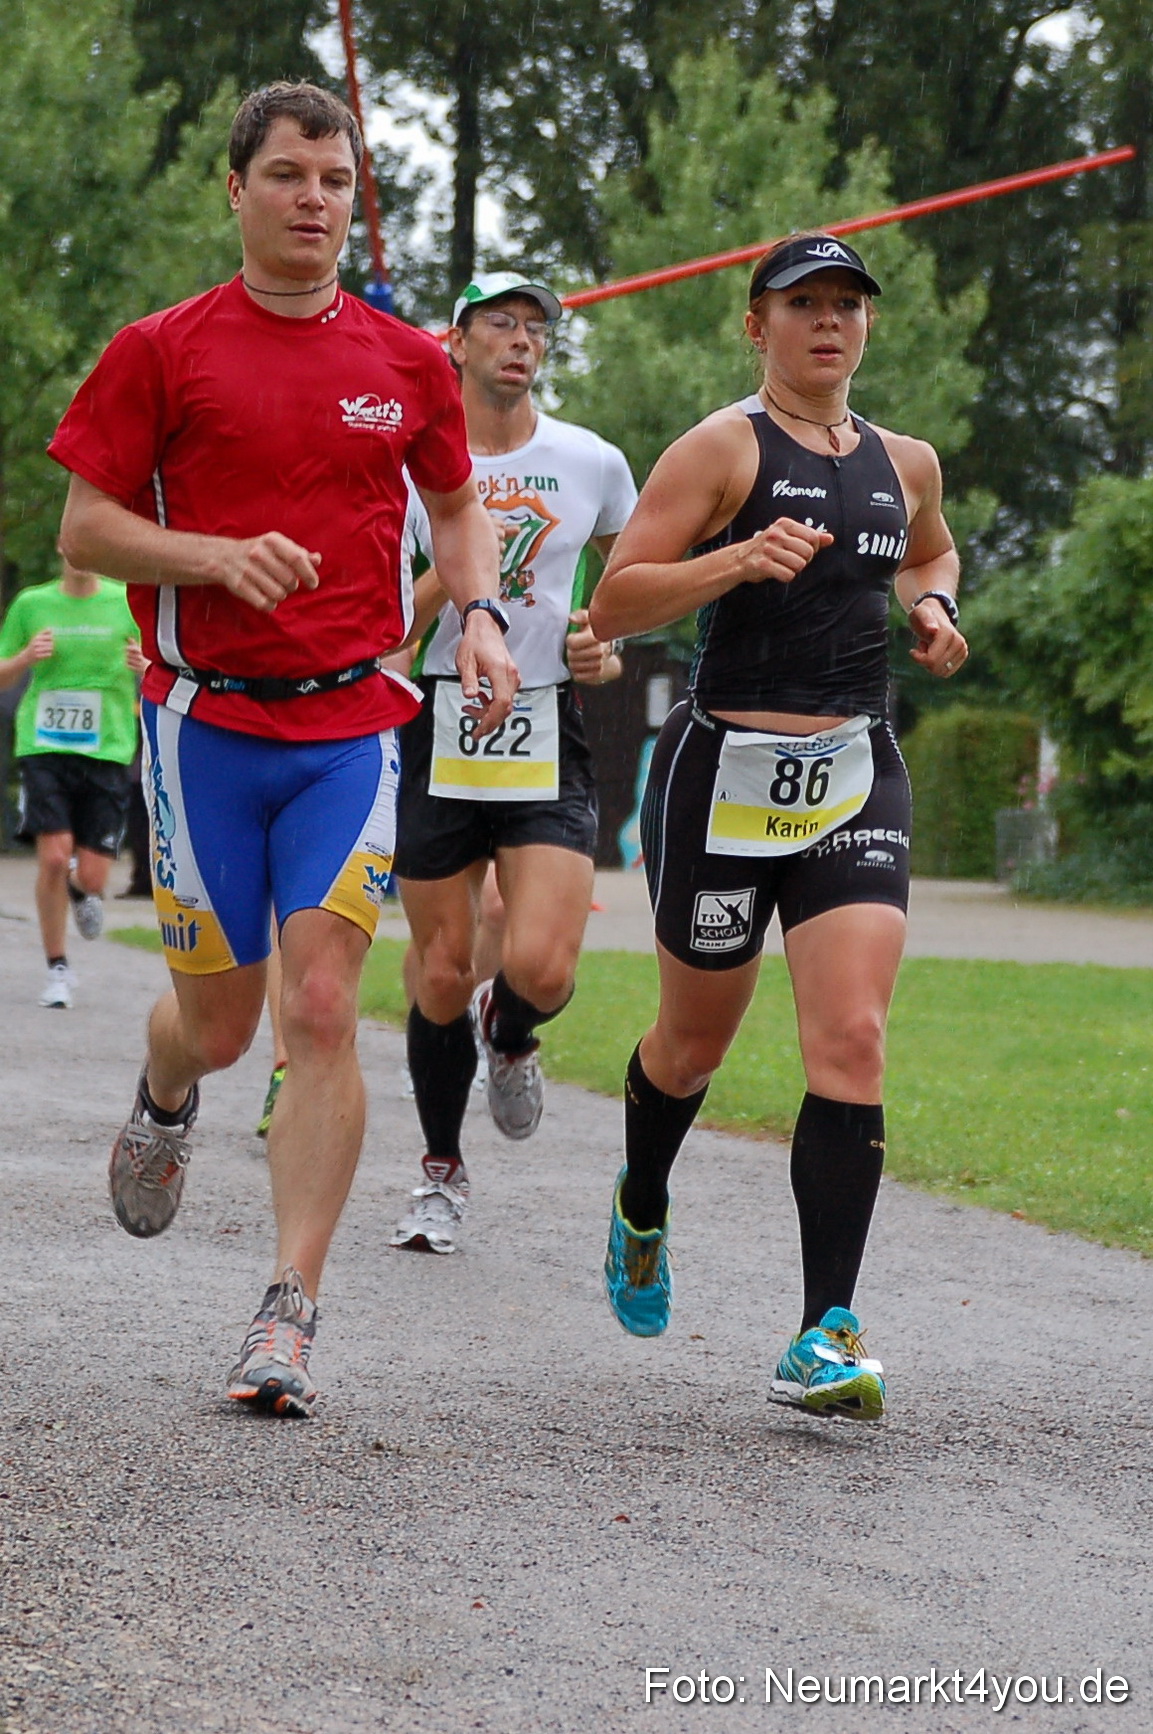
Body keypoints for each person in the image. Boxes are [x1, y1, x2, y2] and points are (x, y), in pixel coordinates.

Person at [48, 81, 516, 1418]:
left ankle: (287, 1310)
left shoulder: (407, 362)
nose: (317, 197)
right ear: (236, 189)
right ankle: (167, 1082)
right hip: (200, 723)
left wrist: (475, 610)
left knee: (319, 1009)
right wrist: (208, 554)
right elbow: (85, 530)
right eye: (290, 175)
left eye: (336, 175)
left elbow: (457, 505)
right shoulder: (161, 350)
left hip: (351, 721)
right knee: (224, 1016)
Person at [588, 233, 968, 1421]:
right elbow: (619, 596)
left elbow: (930, 549)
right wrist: (737, 559)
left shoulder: (906, 461)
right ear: (755, 325)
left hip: (854, 770)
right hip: (724, 774)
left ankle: (823, 1330)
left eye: (848, 304)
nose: (829, 322)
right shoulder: (720, 446)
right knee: (691, 1045)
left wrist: (936, 605)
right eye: (803, 303)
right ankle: (642, 1196)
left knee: (850, 1035)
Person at [389, 272, 636, 1255]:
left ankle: (515, 1031)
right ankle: (440, 1173)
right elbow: (383, 621)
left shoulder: (593, 461)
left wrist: (604, 647)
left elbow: (625, 595)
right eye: (502, 323)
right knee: (441, 972)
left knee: (541, 962)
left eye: (537, 326)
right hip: (436, 725)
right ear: (455, 341)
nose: (522, 340)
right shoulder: (408, 464)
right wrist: (454, 567)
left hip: (546, 727)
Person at [0, 553, 145, 1007]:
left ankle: (85, 891)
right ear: (61, 552)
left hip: (107, 749)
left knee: (94, 872)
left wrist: (145, 666)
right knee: (53, 858)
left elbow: (169, 672)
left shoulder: (127, 601)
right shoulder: (31, 603)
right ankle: (57, 968)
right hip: (44, 746)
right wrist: (26, 656)